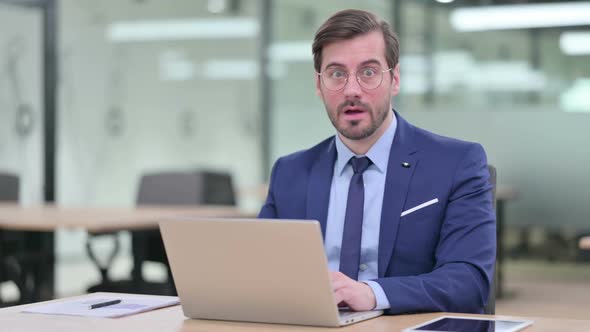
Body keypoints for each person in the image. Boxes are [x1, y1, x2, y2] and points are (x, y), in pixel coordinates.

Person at [258, 9, 495, 315]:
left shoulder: (456, 163)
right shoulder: (289, 172)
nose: (352, 90)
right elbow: (260, 273)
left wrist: (372, 294)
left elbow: (469, 281)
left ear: (394, 80)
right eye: (336, 74)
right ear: (319, 85)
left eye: (368, 72)